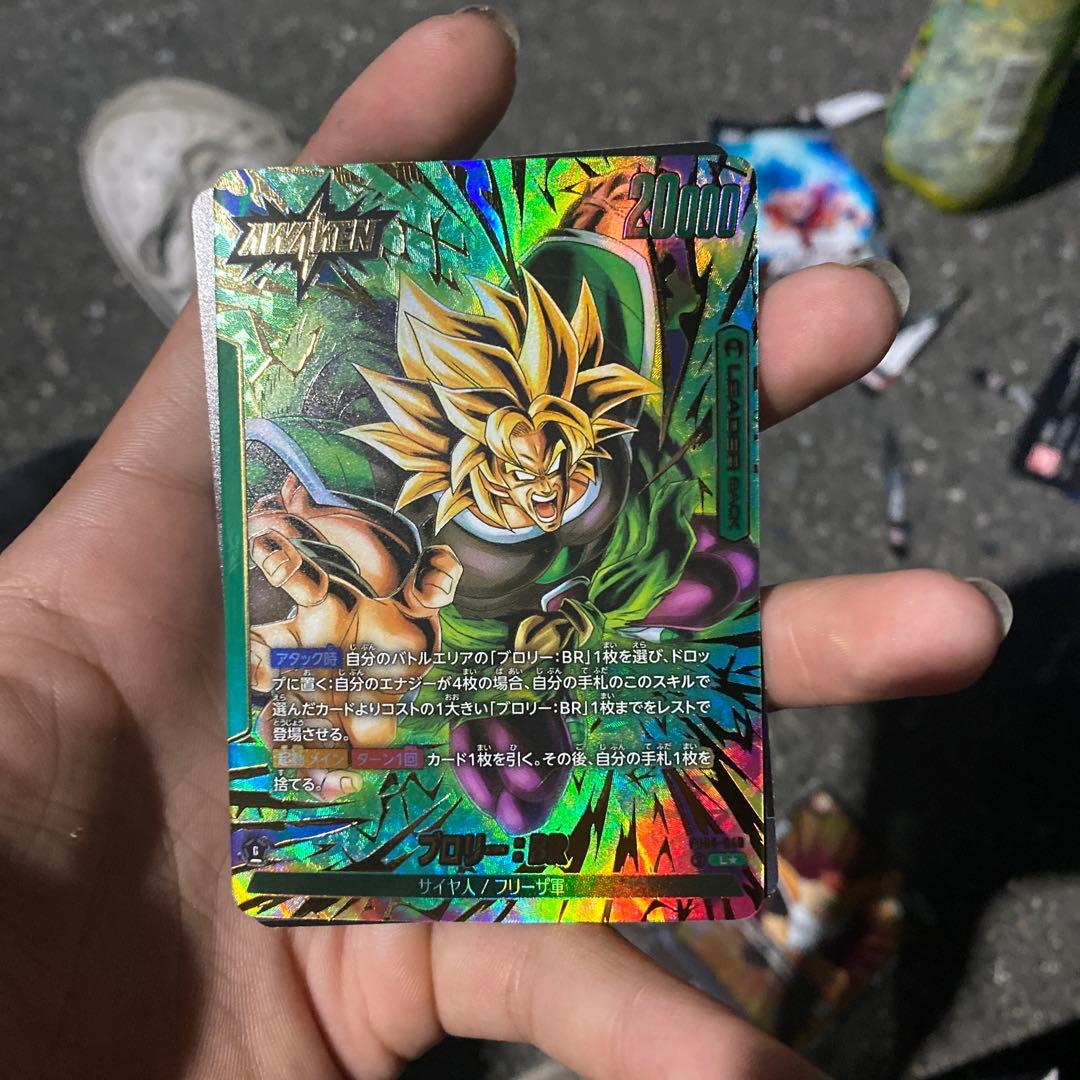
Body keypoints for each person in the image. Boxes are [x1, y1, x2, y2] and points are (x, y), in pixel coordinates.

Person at [0, 9, 1011, 1078]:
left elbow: (659, 545)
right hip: (430, 655)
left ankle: (300, 291)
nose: (539, 480)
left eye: (555, 459)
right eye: (517, 466)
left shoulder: (603, 480)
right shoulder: (421, 556)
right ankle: (288, 313)